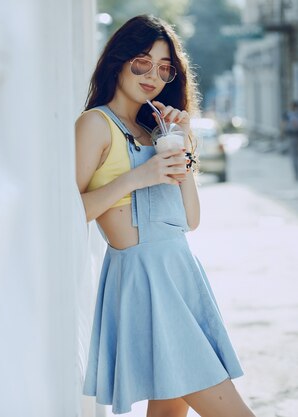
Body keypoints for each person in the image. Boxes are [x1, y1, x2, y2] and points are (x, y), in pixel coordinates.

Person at [75, 15, 256, 417]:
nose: (152, 75)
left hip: (181, 273)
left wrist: (182, 145)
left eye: (163, 67)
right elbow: (71, 213)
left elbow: (190, 220)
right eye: (142, 61)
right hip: (145, 279)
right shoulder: (95, 124)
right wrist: (139, 177)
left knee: (169, 413)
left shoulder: (152, 130)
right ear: (118, 60)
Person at [283, 101, 298, 180]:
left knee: (294, 156)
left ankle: (296, 174)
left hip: (292, 136)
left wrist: (282, 134)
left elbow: (284, 124)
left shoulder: (288, 114)